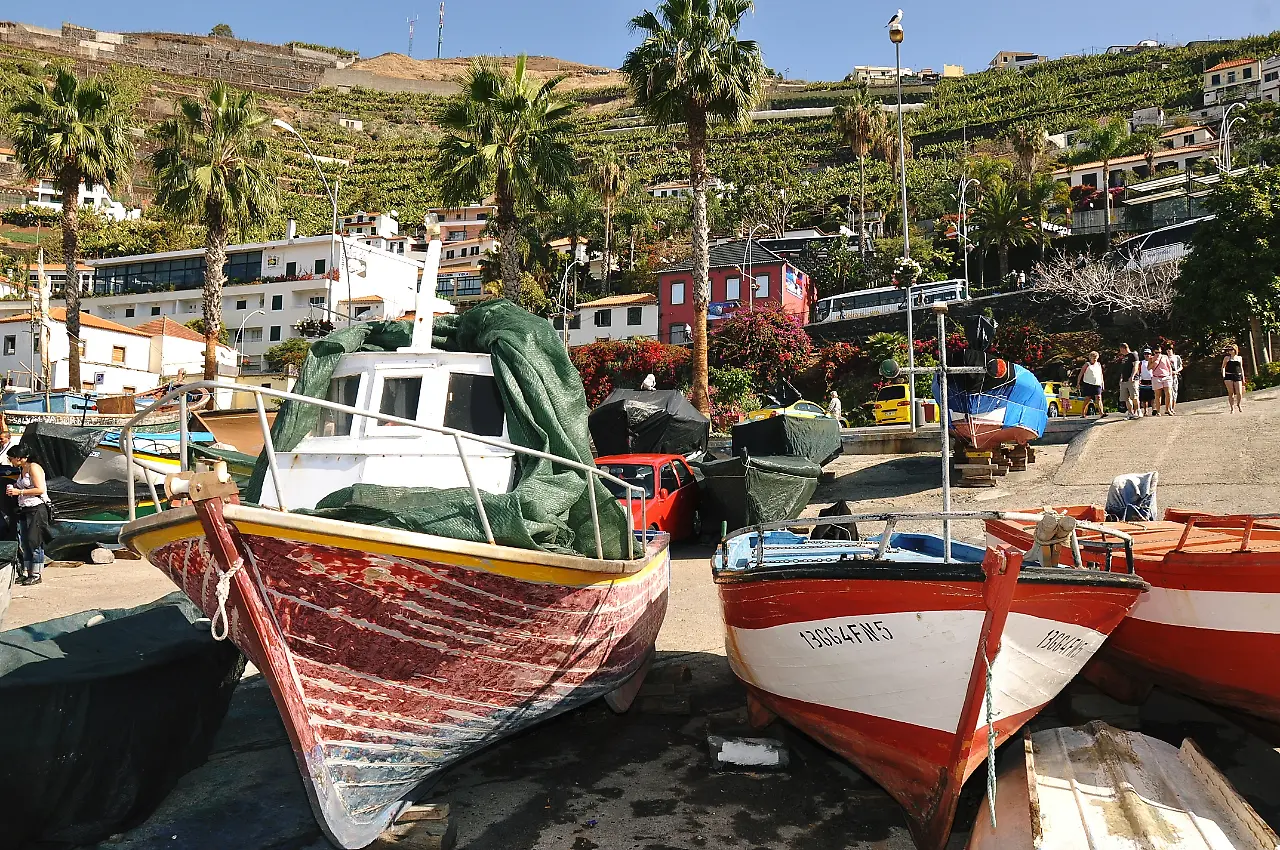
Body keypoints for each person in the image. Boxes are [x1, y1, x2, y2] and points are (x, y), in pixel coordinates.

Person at [5, 443, 52, 586]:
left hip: (36, 508)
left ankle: (37, 573)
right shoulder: (22, 468)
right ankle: (27, 571)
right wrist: (15, 488)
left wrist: (19, 492)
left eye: (11, 458)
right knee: (25, 541)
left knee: (35, 541)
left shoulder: (34, 468)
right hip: (25, 508)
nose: (10, 461)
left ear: (20, 458)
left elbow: (40, 489)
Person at [1076, 351, 1105, 417]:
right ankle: (1083, 412)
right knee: (1087, 398)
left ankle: (1101, 413)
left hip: (1097, 383)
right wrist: (1078, 383)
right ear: (1090, 358)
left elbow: (1101, 374)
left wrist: (1102, 383)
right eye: (1093, 357)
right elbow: (1081, 374)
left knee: (1098, 397)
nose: (1094, 359)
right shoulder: (1087, 364)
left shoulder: (1098, 364)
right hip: (1088, 383)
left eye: (1096, 357)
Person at [1117, 343, 1140, 419]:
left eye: (1121, 350)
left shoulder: (1133, 355)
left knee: (1134, 396)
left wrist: (1132, 376)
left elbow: (1136, 366)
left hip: (1132, 379)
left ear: (1124, 348)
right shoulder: (1124, 358)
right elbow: (1123, 369)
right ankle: (1130, 413)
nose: (1121, 352)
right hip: (1124, 380)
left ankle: (1137, 411)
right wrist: (1121, 378)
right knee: (1126, 398)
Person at [1151, 344, 1174, 415]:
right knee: (1158, 395)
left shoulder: (1165, 357)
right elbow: (1149, 368)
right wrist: (1154, 361)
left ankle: (1168, 409)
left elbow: (1169, 366)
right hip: (1156, 377)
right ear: (1153, 352)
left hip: (1166, 377)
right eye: (1156, 352)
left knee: (1169, 393)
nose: (1158, 354)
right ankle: (1158, 411)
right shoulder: (1152, 358)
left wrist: (1170, 375)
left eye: (1159, 352)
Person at [1222, 343, 1245, 412]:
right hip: (1229, 375)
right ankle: (1232, 408)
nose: (1230, 351)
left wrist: (1243, 377)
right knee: (1231, 392)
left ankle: (1239, 404)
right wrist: (1223, 375)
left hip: (1237, 375)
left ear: (1235, 350)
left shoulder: (1239, 358)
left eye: (1231, 349)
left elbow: (1241, 368)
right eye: (1229, 350)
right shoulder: (1227, 358)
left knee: (1239, 392)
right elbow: (1223, 367)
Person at [1138, 347, 1155, 416]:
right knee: (1144, 399)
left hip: (1152, 381)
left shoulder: (1153, 361)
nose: (1147, 355)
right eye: (1145, 354)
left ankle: (1154, 409)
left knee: (1153, 397)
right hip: (1143, 382)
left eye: (1148, 354)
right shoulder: (1141, 363)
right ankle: (1145, 411)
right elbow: (1139, 371)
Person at [1168, 343, 1183, 413]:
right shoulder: (1165, 358)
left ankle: (1173, 408)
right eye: (1167, 350)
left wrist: (1176, 371)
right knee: (1168, 393)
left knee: (1174, 392)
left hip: (1175, 376)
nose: (1168, 351)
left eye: (1170, 349)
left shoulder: (1177, 357)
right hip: (1167, 377)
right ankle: (1169, 408)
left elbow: (1181, 366)